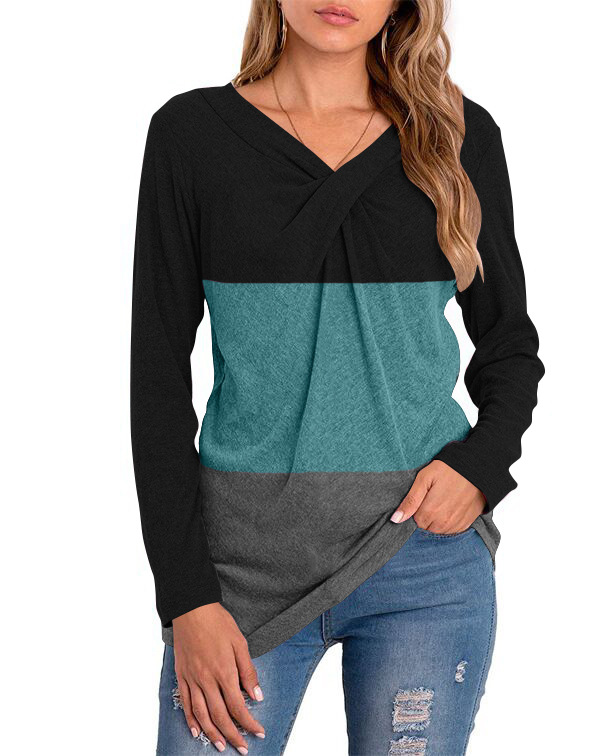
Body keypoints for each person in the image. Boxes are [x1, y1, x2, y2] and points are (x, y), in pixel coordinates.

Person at [131, 1, 544, 753]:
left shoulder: (456, 134)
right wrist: (185, 597)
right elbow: (156, 381)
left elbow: (509, 344)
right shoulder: (192, 136)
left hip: (420, 561)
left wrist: (481, 468)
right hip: (238, 575)